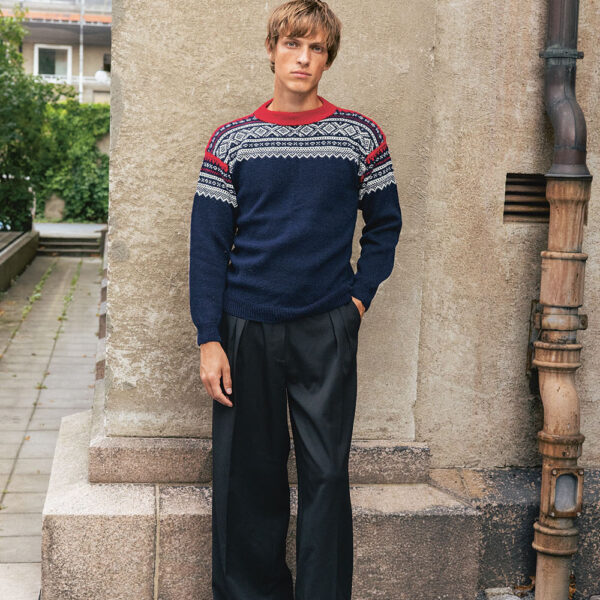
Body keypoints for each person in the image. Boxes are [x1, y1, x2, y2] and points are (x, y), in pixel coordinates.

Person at [189, 1, 402, 598]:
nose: (302, 58)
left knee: (327, 475)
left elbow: (385, 226)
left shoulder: (360, 136)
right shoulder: (231, 141)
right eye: (292, 44)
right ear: (271, 50)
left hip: (325, 328)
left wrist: (356, 303)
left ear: (328, 58)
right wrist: (209, 337)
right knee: (246, 479)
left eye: (316, 48)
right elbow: (208, 246)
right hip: (244, 328)